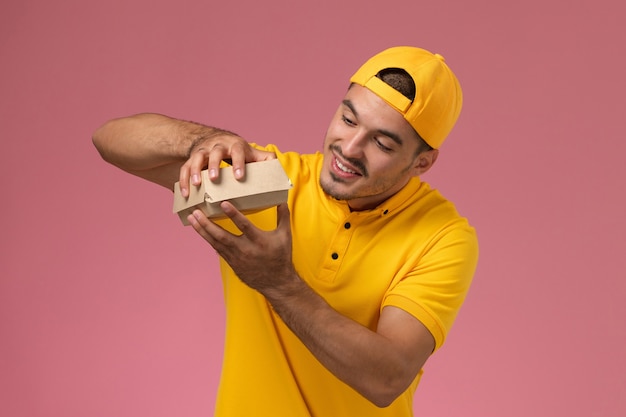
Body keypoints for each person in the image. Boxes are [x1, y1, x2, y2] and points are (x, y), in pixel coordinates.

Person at [92, 46, 479, 416]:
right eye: (347, 119)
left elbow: (387, 377)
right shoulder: (268, 181)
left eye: (381, 142)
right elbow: (110, 139)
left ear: (422, 162)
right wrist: (202, 140)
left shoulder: (442, 236)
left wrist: (278, 283)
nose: (350, 147)